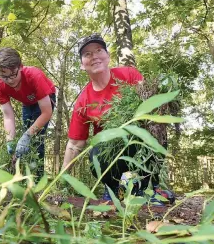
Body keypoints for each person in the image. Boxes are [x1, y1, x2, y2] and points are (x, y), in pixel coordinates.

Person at [62, 33, 174, 204]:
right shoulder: (83, 101)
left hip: (138, 146)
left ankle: (145, 187)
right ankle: (115, 188)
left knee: (156, 130)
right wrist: (62, 180)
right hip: (112, 155)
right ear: (82, 65)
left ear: (108, 56)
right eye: (87, 54)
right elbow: (74, 144)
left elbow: (151, 106)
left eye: (99, 50)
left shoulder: (129, 76)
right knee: (96, 153)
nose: (94, 56)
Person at [0, 47, 56, 179]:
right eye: (4, 76)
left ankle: (37, 180)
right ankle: (20, 175)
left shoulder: (35, 76)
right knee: (21, 141)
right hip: (27, 103)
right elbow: (8, 116)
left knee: (35, 138)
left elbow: (46, 112)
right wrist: (10, 139)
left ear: (20, 67)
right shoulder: (0, 86)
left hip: (45, 99)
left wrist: (27, 135)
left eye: (13, 75)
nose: (10, 80)